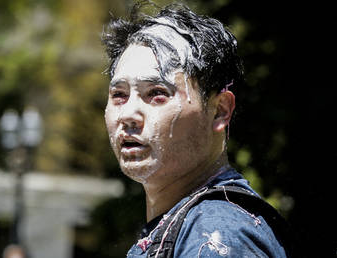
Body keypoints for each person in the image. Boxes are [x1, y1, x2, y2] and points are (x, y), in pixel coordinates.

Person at [102, 3, 289, 257]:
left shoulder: (217, 236)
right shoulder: (187, 227)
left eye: (157, 94)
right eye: (119, 95)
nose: (128, 115)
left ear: (220, 110)